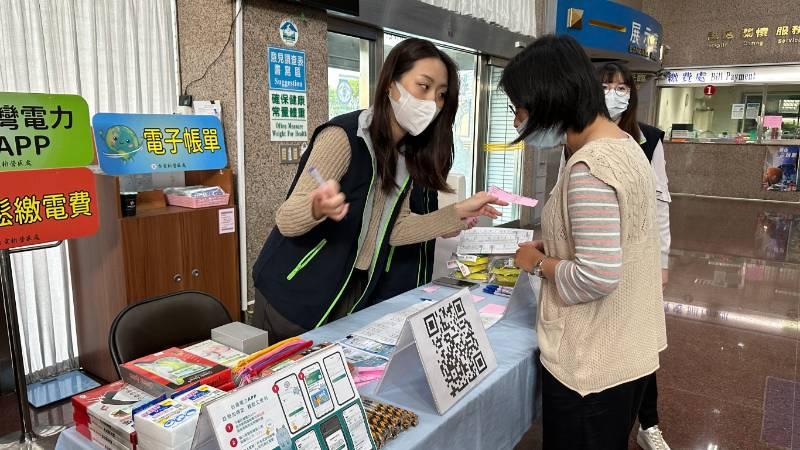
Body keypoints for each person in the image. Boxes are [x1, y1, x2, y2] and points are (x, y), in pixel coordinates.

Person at [252, 38, 506, 342]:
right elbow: (287, 220)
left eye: (440, 95)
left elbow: (394, 230)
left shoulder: (405, 154)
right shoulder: (344, 137)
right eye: (422, 86)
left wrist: (457, 213)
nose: (432, 103)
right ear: (390, 84)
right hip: (293, 293)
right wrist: (316, 208)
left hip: (348, 292)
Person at [504, 35, 667, 449]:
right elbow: (617, 238)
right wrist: (555, 245)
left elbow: (597, 276)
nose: (516, 121)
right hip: (627, 349)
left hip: (591, 366)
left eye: (517, 108)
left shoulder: (589, 167)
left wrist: (536, 263)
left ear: (547, 98)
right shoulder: (624, 144)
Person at [598, 62, 672, 450]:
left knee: (642, 341)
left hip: (637, 258)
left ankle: (648, 423)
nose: (615, 93)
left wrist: (661, 260)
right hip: (596, 256)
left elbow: (661, 204)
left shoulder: (649, 141)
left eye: (622, 87)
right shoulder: (578, 139)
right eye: (607, 85)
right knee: (607, 338)